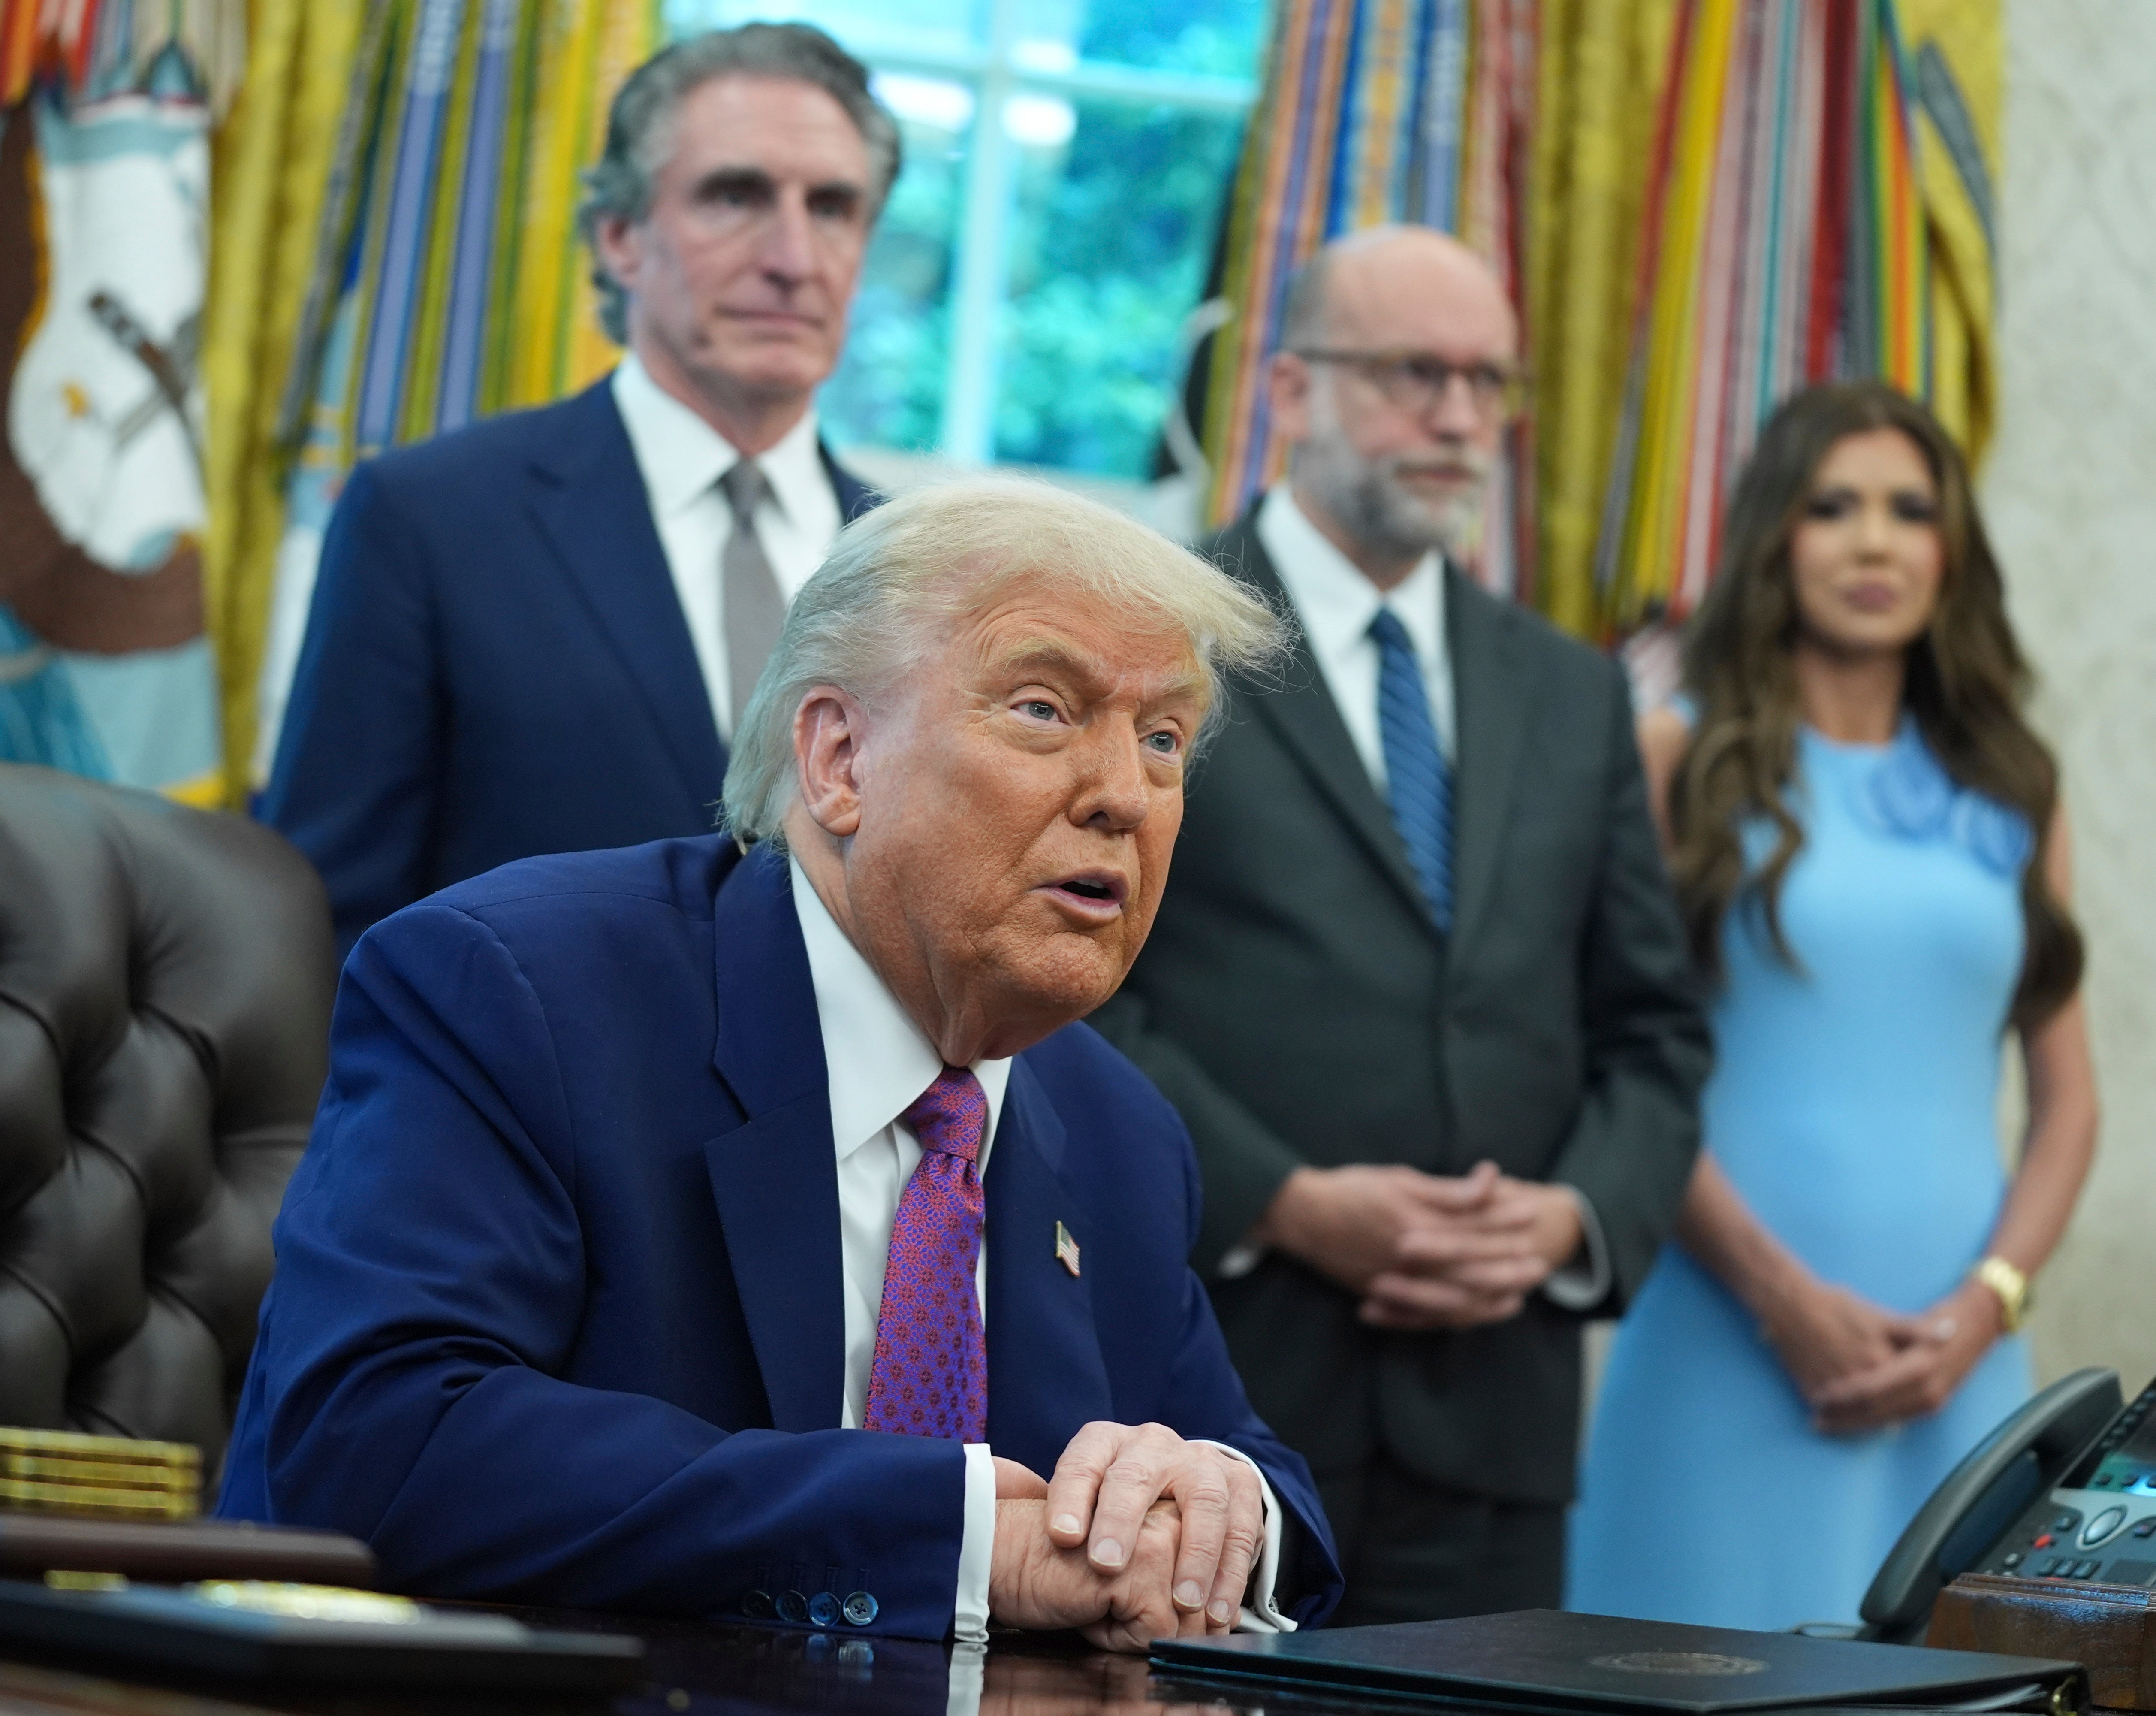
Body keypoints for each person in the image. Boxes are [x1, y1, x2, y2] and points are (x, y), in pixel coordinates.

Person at [217, 478, 1344, 1647]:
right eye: (1046, 710)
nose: (1125, 796)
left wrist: (1222, 1516)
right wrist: (957, 1538)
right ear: (839, 758)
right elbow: (379, 1441)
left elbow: (1270, 1487)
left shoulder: (1119, 1131)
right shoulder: (520, 992)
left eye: (1163, 739)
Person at [1090, 226, 1711, 1623]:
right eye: (1414, 374)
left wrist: (1572, 1221)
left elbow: (1653, 1032)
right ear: (1293, 389)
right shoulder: (1149, 643)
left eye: (1488, 383)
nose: (1457, 418)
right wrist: (1285, 1205)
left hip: (1499, 1417)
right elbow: (1081, 994)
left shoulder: (1572, 690)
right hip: (1214, 1394)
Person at [1566, 382, 2099, 1631]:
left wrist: (1986, 1309)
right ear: (1775, 541)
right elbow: (1621, 1066)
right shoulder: (1673, 757)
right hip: (1724, 1344)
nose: (1874, 542)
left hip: (1956, 1371)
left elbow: (2070, 1105)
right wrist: (1780, 1300)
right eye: (1834, 508)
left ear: (1949, 549)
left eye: (1909, 511)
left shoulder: (2018, 787)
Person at [262, 24, 890, 955]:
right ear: (622, 238)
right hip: (507, 1095)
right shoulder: (429, 517)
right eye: (736, 196)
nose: (794, 258)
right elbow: (322, 920)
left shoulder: (915, 562)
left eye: (833, 207)